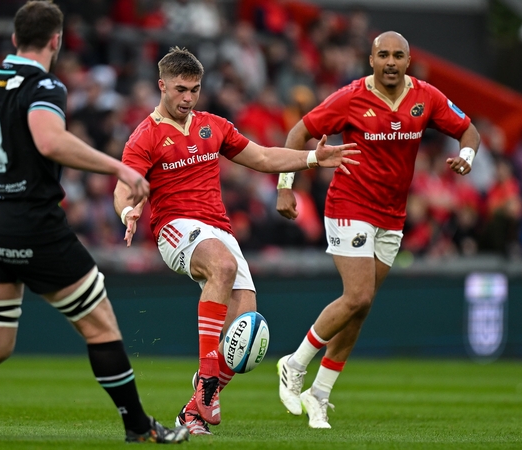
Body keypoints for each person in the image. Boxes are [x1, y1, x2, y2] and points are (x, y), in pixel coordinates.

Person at [0, 1, 189, 444]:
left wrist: (0, 172)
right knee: (100, 326)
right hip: (31, 224)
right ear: (56, 41)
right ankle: (139, 428)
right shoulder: (45, 85)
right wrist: (117, 169)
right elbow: (48, 139)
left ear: (13, 39)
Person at [114, 47, 359, 435]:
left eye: (194, 90)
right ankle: (208, 383)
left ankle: (193, 412)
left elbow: (262, 158)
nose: (188, 98)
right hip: (175, 228)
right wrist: (127, 212)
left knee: (244, 333)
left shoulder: (213, 125)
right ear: (161, 86)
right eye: (180, 89)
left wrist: (311, 159)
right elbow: (124, 187)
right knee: (223, 266)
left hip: (218, 230)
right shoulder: (144, 136)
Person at [275, 31, 480, 429]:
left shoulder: (427, 96)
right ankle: (294, 364)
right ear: (371, 59)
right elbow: (298, 133)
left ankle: (319, 394)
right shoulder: (351, 96)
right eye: (382, 54)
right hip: (349, 204)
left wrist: (466, 156)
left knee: (360, 309)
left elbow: (468, 130)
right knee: (358, 294)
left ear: (407, 61)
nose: (390, 61)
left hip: (392, 214)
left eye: (397, 55)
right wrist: (286, 187)